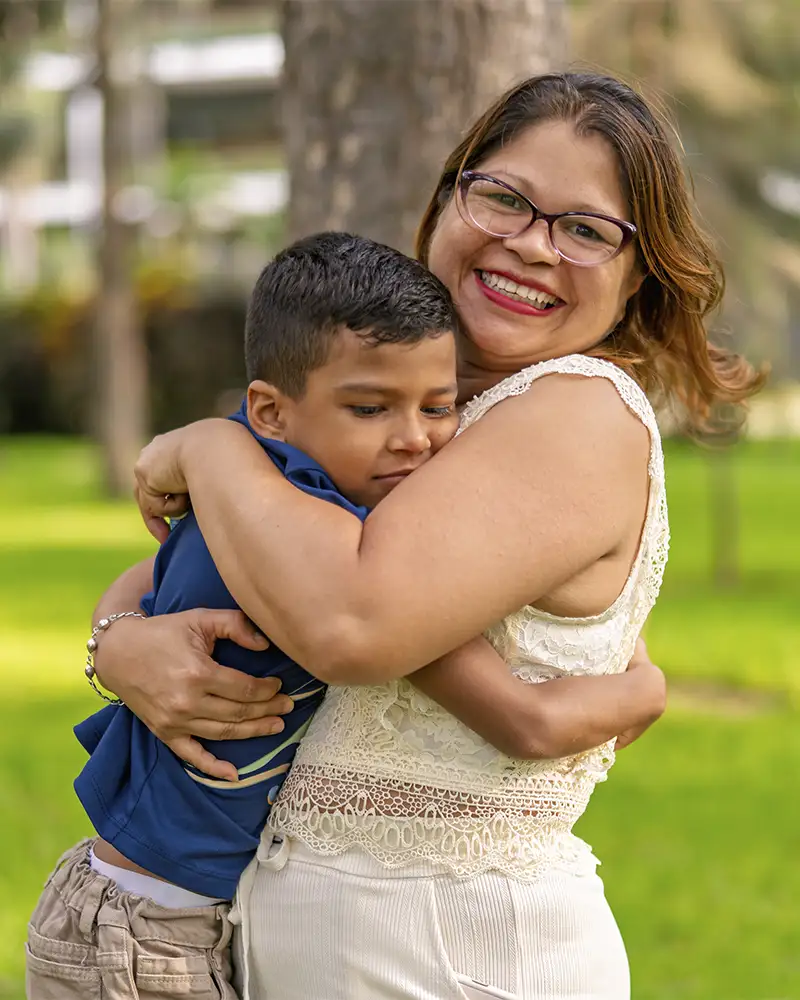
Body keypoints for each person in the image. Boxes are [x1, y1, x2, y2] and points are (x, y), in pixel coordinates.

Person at [81, 73, 764, 999]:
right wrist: (122, 645)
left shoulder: (577, 411)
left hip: (449, 954)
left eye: (587, 229)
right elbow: (210, 572)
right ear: (450, 195)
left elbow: (353, 625)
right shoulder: (430, 425)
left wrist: (208, 448)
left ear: (639, 271)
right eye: (505, 198)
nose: (530, 245)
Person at [27, 231, 666, 1000]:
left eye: (441, 407)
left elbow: (148, 579)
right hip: (143, 927)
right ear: (270, 412)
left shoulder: (276, 501)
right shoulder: (317, 540)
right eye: (370, 408)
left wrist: (121, 632)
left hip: (170, 911)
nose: (413, 440)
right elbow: (522, 718)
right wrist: (645, 689)